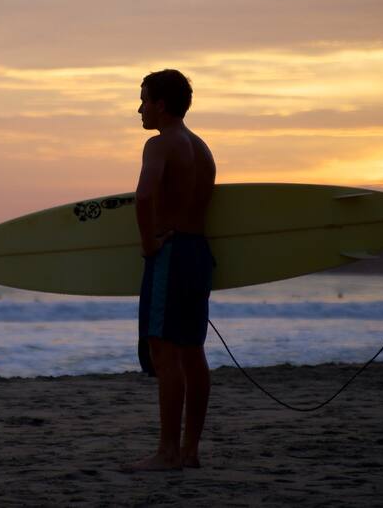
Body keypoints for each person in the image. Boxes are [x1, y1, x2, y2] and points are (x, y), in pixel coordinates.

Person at [126, 69, 216, 472]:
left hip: (172, 254)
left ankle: (166, 452)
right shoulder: (201, 147)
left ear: (160, 104)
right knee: (193, 353)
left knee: (165, 356)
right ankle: (189, 451)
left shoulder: (160, 144)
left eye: (143, 99)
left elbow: (144, 196)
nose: (139, 108)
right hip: (198, 252)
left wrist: (148, 244)